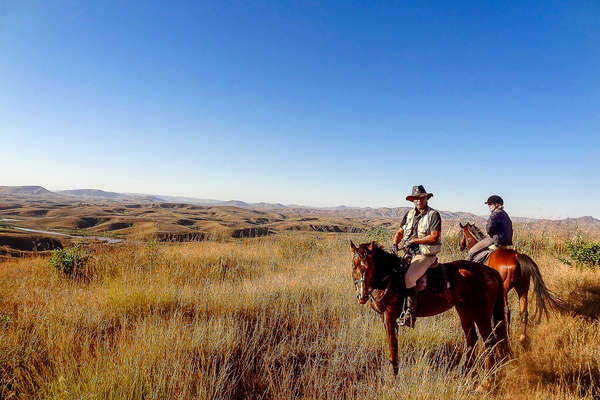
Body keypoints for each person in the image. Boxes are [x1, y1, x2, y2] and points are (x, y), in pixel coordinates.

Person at [393, 185, 441, 328]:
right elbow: (400, 231)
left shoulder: (433, 215)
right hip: (409, 253)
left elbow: (434, 237)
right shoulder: (409, 214)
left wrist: (415, 241)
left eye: (421, 198)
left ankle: (410, 314)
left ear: (426, 198)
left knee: (409, 277)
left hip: (425, 253)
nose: (419, 201)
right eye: (416, 199)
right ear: (412, 200)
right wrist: (395, 242)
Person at [467, 195, 513, 261]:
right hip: (505, 243)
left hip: (496, 241)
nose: (489, 205)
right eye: (488, 204)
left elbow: (489, 227)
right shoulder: (505, 214)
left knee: (471, 251)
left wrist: (490, 234)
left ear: (497, 204)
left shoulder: (495, 213)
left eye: (490, 204)